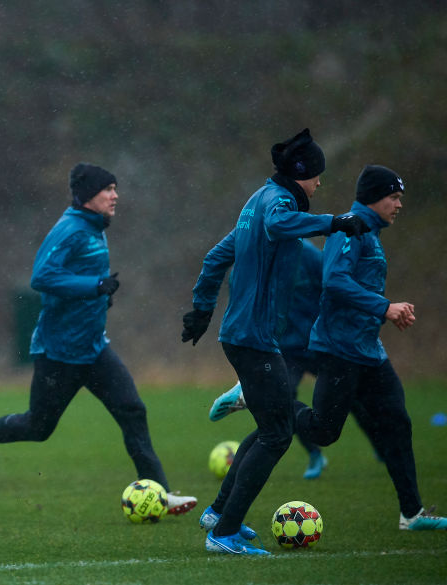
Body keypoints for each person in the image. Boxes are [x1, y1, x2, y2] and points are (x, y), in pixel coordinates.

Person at [0, 163, 196, 516]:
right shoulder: (70, 230)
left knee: (133, 411)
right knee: (38, 426)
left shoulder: (96, 228)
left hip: (94, 348)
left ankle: (159, 492)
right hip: (59, 352)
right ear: (87, 197)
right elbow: (42, 277)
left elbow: (81, 278)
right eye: (108, 189)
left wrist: (100, 294)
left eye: (115, 188)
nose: (115, 195)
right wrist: (93, 287)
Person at [181, 128, 370, 555]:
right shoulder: (276, 205)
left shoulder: (255, 202)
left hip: (248, 334)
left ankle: (219, 513)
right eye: (317, 175)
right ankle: (223, 533)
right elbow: (280, 223)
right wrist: (335, 221)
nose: (320, 183)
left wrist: (201, 310)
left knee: (272, 425)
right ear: (301, 174)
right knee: (278, 434)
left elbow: (215, 258)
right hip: (254, 338)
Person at [294, 165, 447, 531]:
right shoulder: (351, 228)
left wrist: (386, 313)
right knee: (323, 431)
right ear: (374, 198)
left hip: (369, 352)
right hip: (339, 349)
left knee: (397, 422)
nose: (398, 205)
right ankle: (263, 398)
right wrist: (385, 307)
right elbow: (334, 281)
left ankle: (411, 513)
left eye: (399, 198)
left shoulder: (371, 231)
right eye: (393, 197)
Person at [208, 239, 384, 479]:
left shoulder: (310, 256)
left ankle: (381, 446)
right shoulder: (256, 258)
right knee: (282, 399)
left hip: (318, 343)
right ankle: (315, 455)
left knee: (351, 398)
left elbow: (335, 289)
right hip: (284, 350)